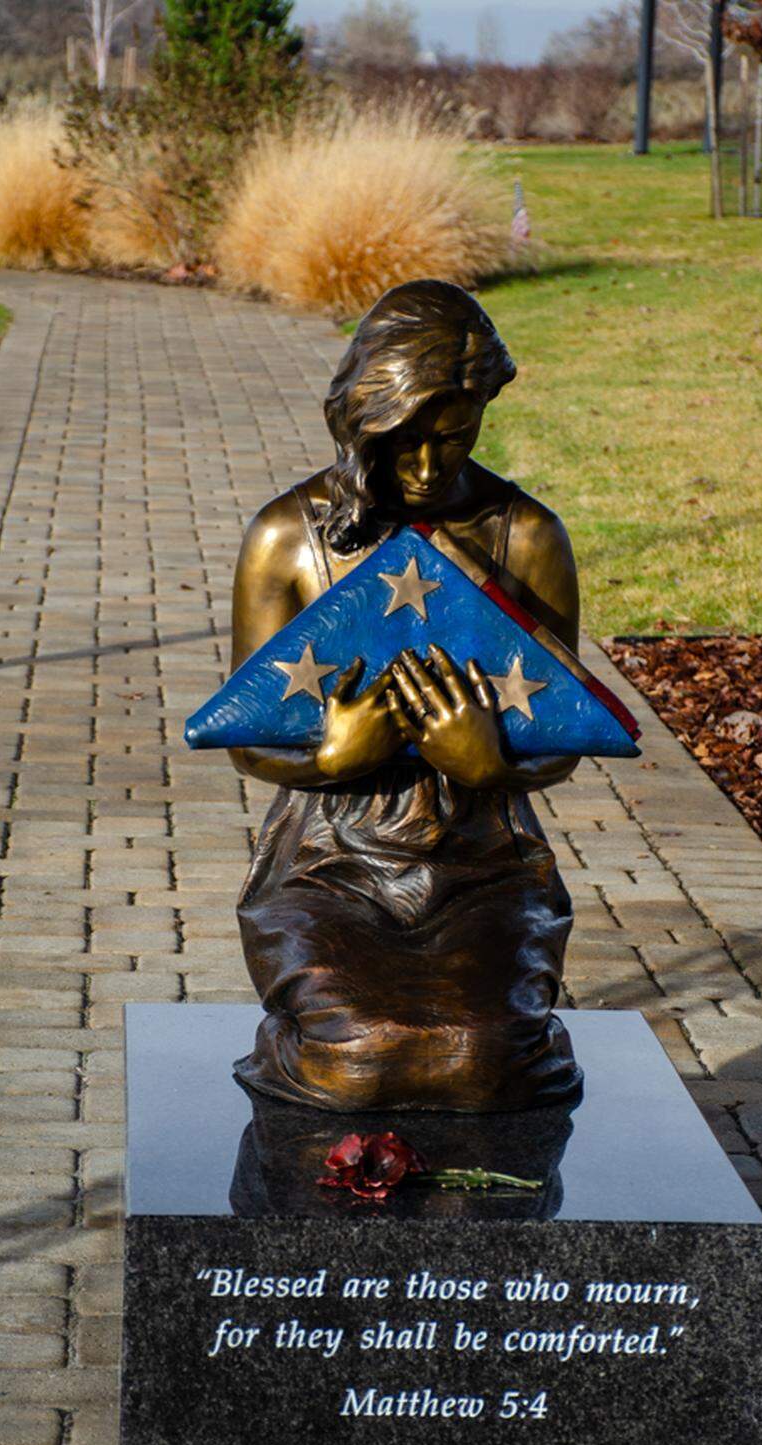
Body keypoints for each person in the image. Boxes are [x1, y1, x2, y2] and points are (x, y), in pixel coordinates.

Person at [228, 279, 582, 1113]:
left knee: (474, 1058)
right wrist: (331, 756)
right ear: (362, 420)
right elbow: (244, 736)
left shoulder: (527, 536)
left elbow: (571, 732)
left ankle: (517, 1045)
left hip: (484, 862)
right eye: (403, 441)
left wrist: (491, 765)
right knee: (361, 1055)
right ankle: (297, 1046)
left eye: (453, 438)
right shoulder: (288, 535)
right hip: (327, 862)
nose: (426, 467)